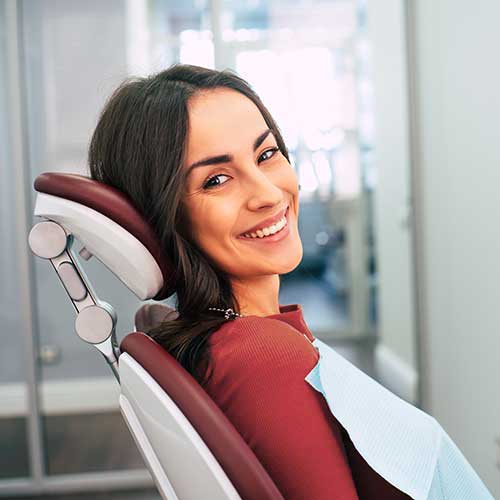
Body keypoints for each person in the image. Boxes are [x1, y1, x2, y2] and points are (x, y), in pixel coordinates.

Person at [86, 64, 419, 499]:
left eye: (266, 154)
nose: (268, 193)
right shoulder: (263, 358)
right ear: (161, 216)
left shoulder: (244, 340)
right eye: (216, 180)